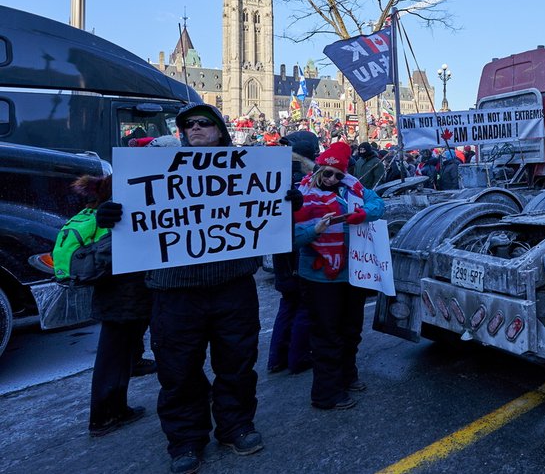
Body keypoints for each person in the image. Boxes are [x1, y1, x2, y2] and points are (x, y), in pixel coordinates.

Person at [101, 103, 292, 474]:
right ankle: (186, 439)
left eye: (204, 124)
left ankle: (235, 425)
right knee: (178, 370)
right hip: (175, 293)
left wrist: (287, 204)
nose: (195, 130)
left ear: (219, 131)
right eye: (187, 125)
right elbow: (135, 217)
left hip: (232, 286)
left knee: (237, 364)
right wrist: (109, 215)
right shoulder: (155, 172)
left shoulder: (249, 170)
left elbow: (270, 214)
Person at [58, 175, 151, 438]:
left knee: (119, 351)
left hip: (119, 290)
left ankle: (109, 411)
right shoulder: (116, 201)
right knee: (116, 353)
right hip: (124, 290)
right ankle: (105, 415)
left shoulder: (109, 191)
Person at [294, 141, 384, 410]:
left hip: (353, 274)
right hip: (319, 278)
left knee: (350, 330)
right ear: (319, 169)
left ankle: (347, 376)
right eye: (328, 173)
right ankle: (326, 393)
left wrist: (362, 214)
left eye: (338, 174)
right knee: (326, 335)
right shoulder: (301, 193)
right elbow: (290, 238)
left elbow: (379, 206)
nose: (332, 179)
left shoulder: (353, 187)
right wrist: (315, 232)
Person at [267, 130, 318, 374]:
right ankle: (298, 357)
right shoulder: (306, 180)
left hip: (281, 252)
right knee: (303, 306)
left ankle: (277, 358)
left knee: (287, 304)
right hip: (297, 253)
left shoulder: (273, 175)